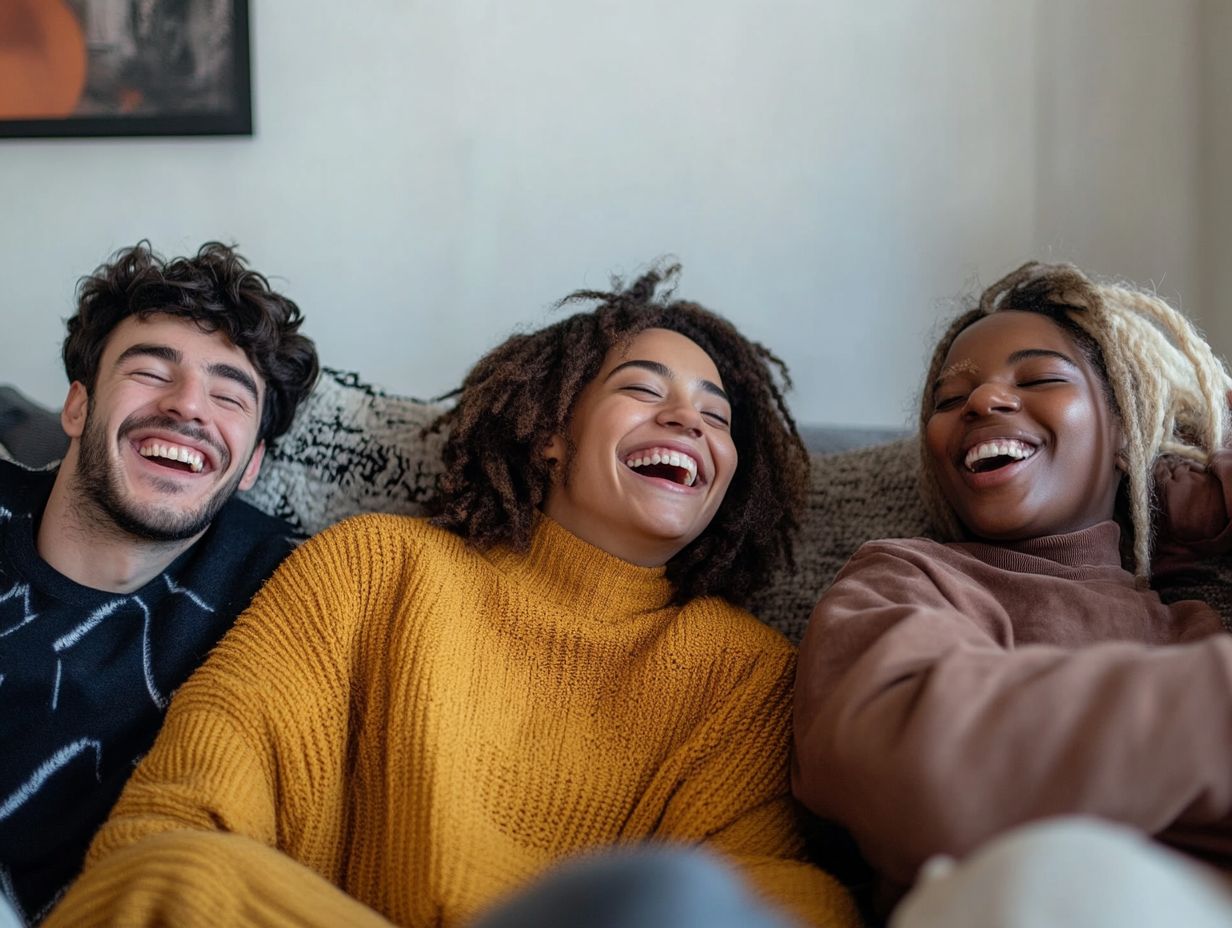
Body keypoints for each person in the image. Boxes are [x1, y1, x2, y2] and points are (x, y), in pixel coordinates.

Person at [43, 265, 860, 928]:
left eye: (716, 418)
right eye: (645, 391)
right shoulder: (377, 569)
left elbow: (775, 891)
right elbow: (185, 809)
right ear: (551, 430)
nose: (688, 421)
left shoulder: (748, 673)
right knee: (178, 876)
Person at [792, 261, 1232, 925]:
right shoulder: (904, 582)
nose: (983, 401)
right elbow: (916, 772)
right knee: (1056, 875)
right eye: (948, 399)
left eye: (1040, 378)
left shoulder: (1188, 624)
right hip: (1021, 894)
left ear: (1123, 433)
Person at [0, 241, 319, 924]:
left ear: (254, 463)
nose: (189, 408)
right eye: (151, 371)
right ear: (78, 408)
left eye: (229, 394)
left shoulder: (292, 589)